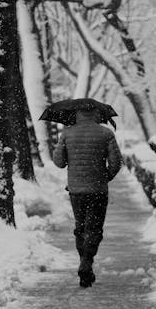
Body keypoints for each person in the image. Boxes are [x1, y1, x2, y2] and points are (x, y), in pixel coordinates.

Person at [53, 107, 122, 288]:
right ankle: (87, 260)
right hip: (98, 189)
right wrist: (106, 176)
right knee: (94, 227)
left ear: (76, 114)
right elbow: (116, 163)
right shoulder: (106, 133)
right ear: (97, 114)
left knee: (81, 227)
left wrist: (65, 149)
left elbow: (59, 162)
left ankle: (84, 262)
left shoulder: (67, 133)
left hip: (76, 190)